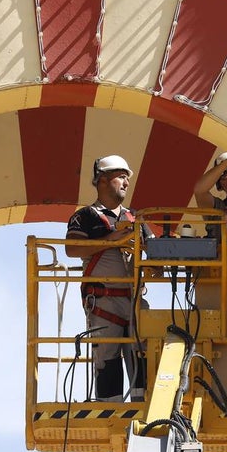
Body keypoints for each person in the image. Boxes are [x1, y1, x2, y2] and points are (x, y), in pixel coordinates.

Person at [66, 155, 153, 402]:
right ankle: (110, 409)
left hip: (134, 297)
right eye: (121, 176)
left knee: (143, 353)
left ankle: (144, 407)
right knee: (107, 356)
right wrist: (111, 240)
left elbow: (154, 251)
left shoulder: (135, 218)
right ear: (103, 180)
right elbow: (72, 249)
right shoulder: (86, 216)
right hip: (104, 299)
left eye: (127, 177)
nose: (126, 182)